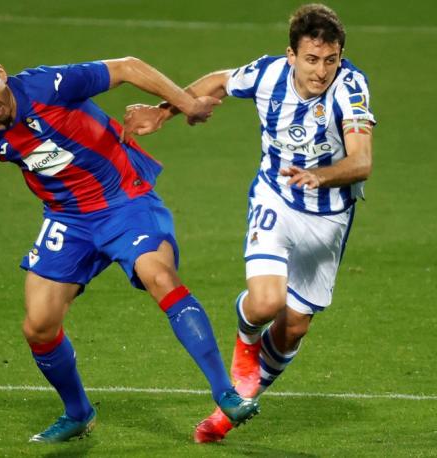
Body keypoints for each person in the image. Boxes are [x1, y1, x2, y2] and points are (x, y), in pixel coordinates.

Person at [0, 48, 259, 443]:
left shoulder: (49, 86)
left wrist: (185, 104)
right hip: (68, 219)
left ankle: (226, 393)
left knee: (157, 274)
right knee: (38, 326)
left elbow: (128, 67)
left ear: (2, 74)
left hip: (123, 200)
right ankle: (78, 413)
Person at [124, 3, 376, 443]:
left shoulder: (350, 88)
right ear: (291, 55)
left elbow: (362, 161)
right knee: (264, 304)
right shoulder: (267, 74)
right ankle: (244, 349)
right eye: (311, 59)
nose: (321, 71)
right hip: (275, 198)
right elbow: (220, 82)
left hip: (329, 216)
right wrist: (163, 113)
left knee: (294, 325)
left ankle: (240, 398)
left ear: (341, 57)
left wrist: (320, 175)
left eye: (330, 60)